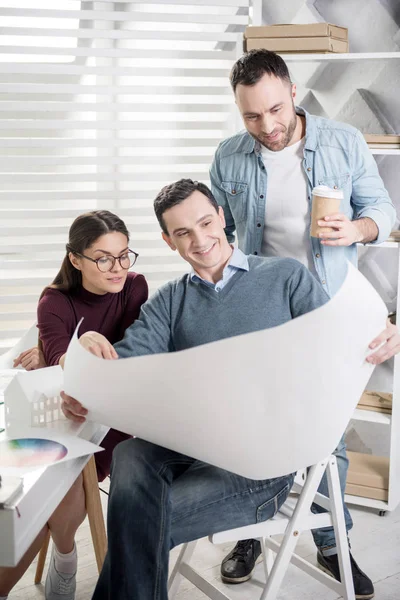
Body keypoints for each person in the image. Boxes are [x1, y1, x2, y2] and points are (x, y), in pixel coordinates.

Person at [60, 180, 400, 600]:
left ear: (221, 217)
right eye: (183, 232)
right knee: (131, 454)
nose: (200, 240)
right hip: (190, 442)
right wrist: (89, 364)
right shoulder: (169, 301)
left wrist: (382, 331)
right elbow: (127, 363)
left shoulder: (285, 277)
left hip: (259, 462)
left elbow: (339, 343)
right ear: (168, 241)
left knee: (140, 516)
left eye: (205, 222)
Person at [209, 49, 397, 599]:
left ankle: (332, 541)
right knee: (250, 427)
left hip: (328, 308)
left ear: (292, 91)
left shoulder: (344, 142)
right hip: (255, 311)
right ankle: (250, 535)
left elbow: (383, 210)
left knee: (327, 434)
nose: (266, 126)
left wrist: (357, 230)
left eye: (273, 109)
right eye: (250, 116)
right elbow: (217, 236)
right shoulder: (228, 156)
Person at [0, 210, 148, 600]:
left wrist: (69, 351)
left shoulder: (135, 287)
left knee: (57, 488)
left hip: (117, 415)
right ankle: (66, 556)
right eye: (103, 258)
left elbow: (136, 354)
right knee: (44, 493)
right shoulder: (54, 300)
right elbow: (57, 354)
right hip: (65, 412)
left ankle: (62, 562)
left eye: (123, 255)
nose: (117, 267)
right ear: (75, 259)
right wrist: (69, 352)